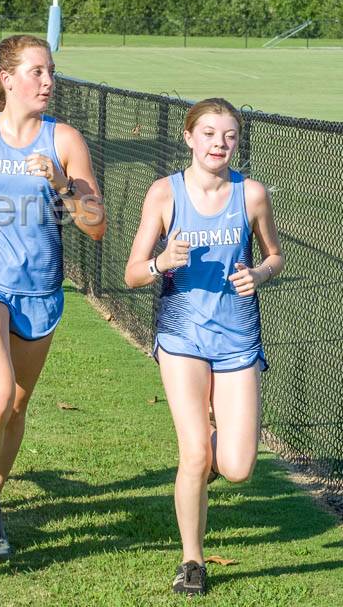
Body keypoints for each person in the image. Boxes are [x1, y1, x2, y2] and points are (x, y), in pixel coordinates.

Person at [0, 34, 106, 566]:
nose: (48, 82)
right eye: (36, 72)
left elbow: (97, 227)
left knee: (17, 405)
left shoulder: (65, 141)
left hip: (40, 289)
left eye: (50, 71)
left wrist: (63, 185)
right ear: (6, 79)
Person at [124, 97, 283, 596]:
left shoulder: (251, 194)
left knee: (236, 467)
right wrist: (161, 261)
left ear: (238, 142)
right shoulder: (163, 194)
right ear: (189, 138)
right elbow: (131, 273)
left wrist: (257, 273)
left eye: (230, 135)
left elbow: (276, 256)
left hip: (237, 339)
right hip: (182, 337)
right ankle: (191, 560)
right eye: (210, 133)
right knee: (193, 453)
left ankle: (208, 458)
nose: (220, 143)